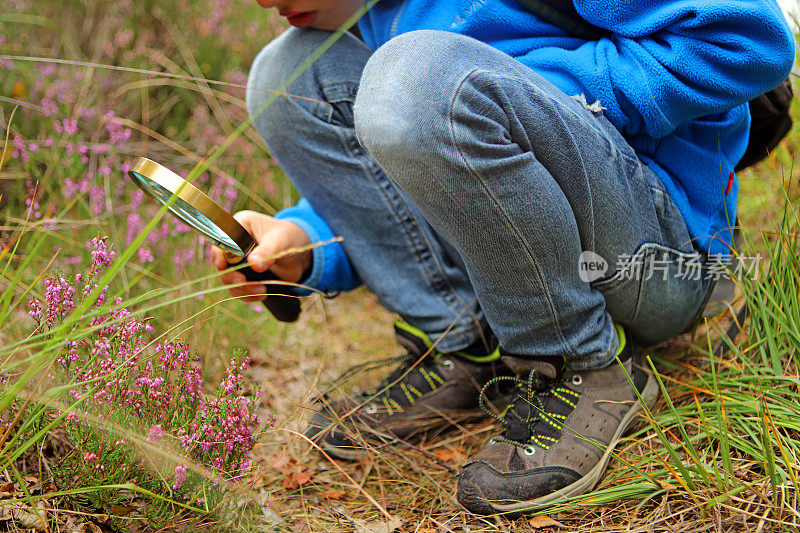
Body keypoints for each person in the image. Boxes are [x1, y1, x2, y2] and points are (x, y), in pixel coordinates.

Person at [211, 0, 795, 515]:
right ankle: (466, 345)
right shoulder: (376, 14)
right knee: (286, 73)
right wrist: (306, 242)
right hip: (523, 248)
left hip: (662, 257)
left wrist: (533, 92)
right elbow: (419, 169)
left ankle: (578, 363)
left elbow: (749, 38)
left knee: (413, 75)